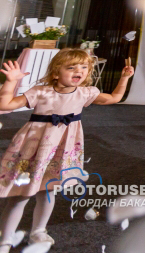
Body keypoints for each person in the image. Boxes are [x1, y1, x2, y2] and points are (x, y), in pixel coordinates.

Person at [0, 49, 135, 252]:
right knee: (21, 195)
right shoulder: (41, 92)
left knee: (48, 191)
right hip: (33, 149)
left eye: (83, 67)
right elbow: (5, 104)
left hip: (61, 149)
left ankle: (39, 231)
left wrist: (124, 78)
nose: (78, 71)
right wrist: (11, 81)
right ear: (56, 73)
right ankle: (5, 239)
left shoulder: (85, 93)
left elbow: (114, 98)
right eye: (71, 67)